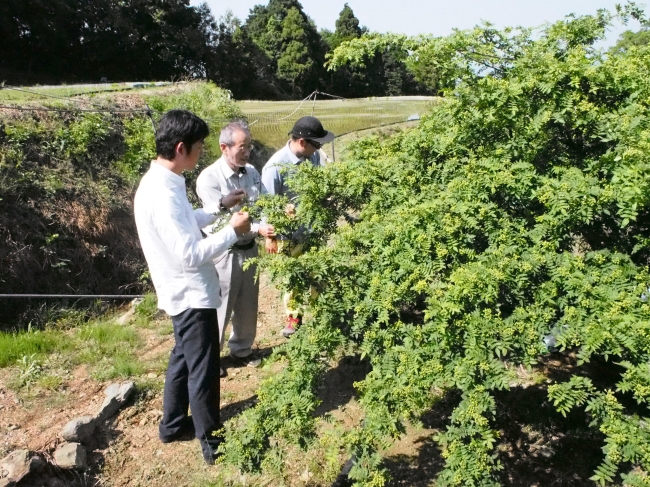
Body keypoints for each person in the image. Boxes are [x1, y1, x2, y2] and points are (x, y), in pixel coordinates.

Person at [133, 109, 251, 465]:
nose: (202, 153)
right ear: (181, 147)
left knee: (183, 360)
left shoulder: (165, 181)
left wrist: (219, 207)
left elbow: (187, 223)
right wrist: (233, 231)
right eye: (200, 147)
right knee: (202, 370)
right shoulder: (162, 193)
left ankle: (171, 426)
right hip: (191, 293)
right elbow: (189, 252)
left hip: (180, 292)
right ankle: (212, 442)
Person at [196, 121, 275, 373]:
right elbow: (219, 222)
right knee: (221, 305)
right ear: (224, 147)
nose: (248, 152)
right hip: (224, 252)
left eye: (250, 146)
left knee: (248, 303)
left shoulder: (251, 171)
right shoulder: (209, 179)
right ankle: (212, 358)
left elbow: (262, 205)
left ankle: (241, 349)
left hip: (249, 248)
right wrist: (258, 229)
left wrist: (268, 225)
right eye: (243, 147)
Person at [261, 116, 334, 338]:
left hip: (311, 228)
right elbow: (268, 204)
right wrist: (270, 236)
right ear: (302, 142)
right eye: (316, 144)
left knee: (316, 271)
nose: (319, 149)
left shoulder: (312, 158)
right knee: (292, 278)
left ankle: (321, 311)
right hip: (287, 235)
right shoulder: (274, 167)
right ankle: (294, 317)